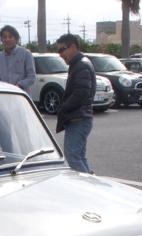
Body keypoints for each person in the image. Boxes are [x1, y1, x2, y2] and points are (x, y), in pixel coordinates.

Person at [55, 33, 96, 174]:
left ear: (73, 47)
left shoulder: (81, 65)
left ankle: (86, 188)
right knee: (79, 157)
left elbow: (81, 93)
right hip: (82, 117)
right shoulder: (79, 64)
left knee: (73, 157)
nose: (60, 54)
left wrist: (64, 107)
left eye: (62, 50)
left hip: (78, 118)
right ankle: (90, 185)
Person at [0, 25, 36, 95]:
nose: (7, 39)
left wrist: (18, 86)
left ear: (16, 39)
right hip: (3, 97)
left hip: (21, 97)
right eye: (4, 37)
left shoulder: (26, 54)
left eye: (10, 37)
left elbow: (31, 77)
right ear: (1, 39)